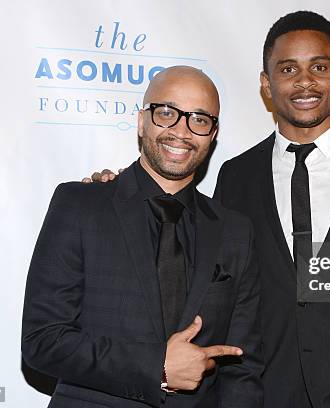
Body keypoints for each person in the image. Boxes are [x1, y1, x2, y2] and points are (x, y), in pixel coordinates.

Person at [89, 11, 330, 408]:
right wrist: (121, 192)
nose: (305, 81)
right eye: (288, 68)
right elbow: (202, 267)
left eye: (320, 66)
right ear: (267, 83)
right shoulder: (237, 176)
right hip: (265, 395)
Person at [22, 66, 263, 408]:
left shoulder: (234, 231)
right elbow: (43, 340)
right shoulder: (81, 205)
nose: (181, 131)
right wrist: (156, 367)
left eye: (199, 118)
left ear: (213, 133)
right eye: (167, 113)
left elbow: (243, 365)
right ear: (141, 121)